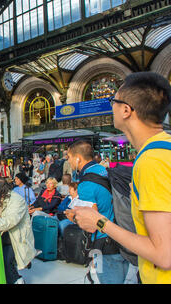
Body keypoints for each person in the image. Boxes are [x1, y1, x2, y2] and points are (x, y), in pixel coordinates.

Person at [72, 72, 171, 284]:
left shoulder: (151, 161)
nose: (111, 107)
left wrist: (99, 222)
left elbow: (164, 255)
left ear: (126, 110)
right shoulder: (165, 150)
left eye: (112, 101)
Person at [65, 140, 122, 284]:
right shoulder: (103, 170)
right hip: (122, 234)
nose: (68, 161)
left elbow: (91, 224)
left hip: (105, 242)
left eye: (69, 157)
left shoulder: (86, 184)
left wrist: (73, 217)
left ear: (78, 158)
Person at [0, 177, 36, 284]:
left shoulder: (17, 200)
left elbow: (10, 220)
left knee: (5, 260)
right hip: (0, 234)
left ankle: (17, 280)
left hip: (15, 237)